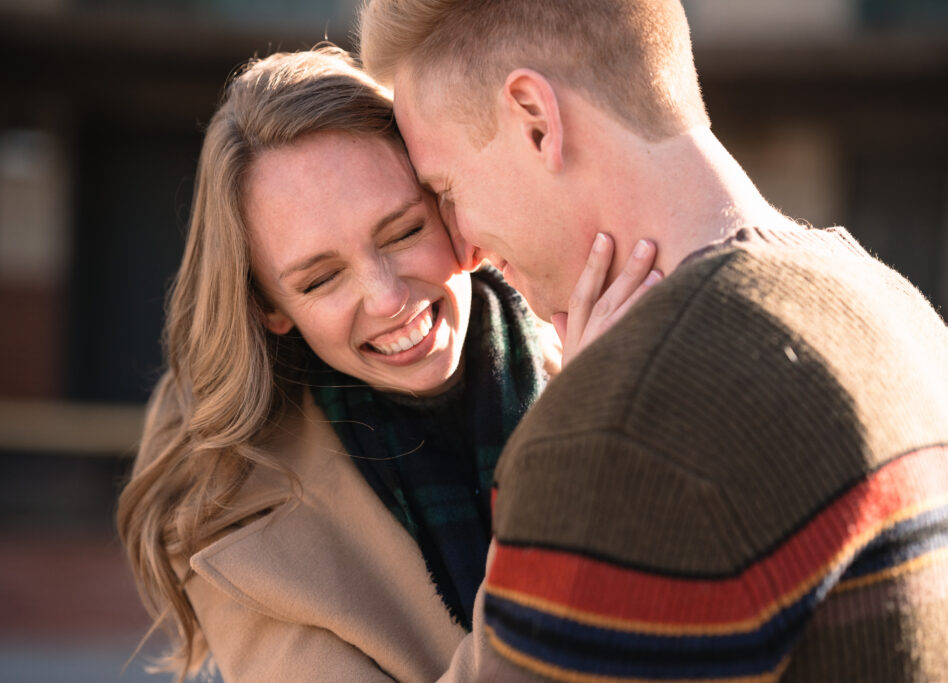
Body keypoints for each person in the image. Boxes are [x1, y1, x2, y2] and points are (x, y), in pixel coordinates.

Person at [358, 1, 948, 681]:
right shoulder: (905, 317)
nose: (462, 248)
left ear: (536, 120)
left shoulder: (629, 422)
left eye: (447, 189)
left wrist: (582, 414)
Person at [116, 45, 656, 682]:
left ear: (449, 201)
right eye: (320, 280)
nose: (388, 297)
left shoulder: (601, 340)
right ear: (270, 308)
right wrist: (574, 468)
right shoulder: (233, 516)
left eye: (403, 232)